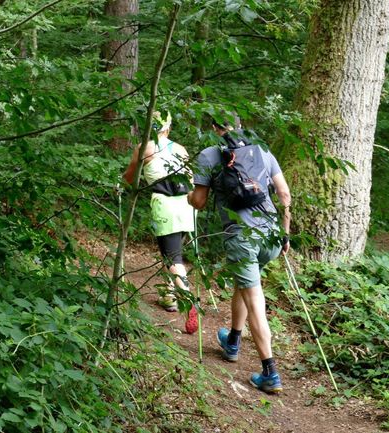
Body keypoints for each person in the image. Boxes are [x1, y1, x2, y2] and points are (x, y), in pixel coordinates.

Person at [187, 113, 291, 393]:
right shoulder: (262, 148)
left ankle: (270, 372)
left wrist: (189, 193)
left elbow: (198, 201)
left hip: (241, 235)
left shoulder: (210, 154)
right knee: (245, 284)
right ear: (240, 125)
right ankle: (233, 339)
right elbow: (284, 193)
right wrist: (286, 230)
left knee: (255, 299)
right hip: (270, 234)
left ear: (214, 128)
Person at [124, 111, 198, 334]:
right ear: (169, 127)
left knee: (172, 257)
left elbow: (129, 177)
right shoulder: (180, 149)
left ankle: (189, 301)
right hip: (186, 205)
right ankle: (169, 297)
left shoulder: (145, 147)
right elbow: (191, 179)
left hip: (164, 204)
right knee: (173, 252)